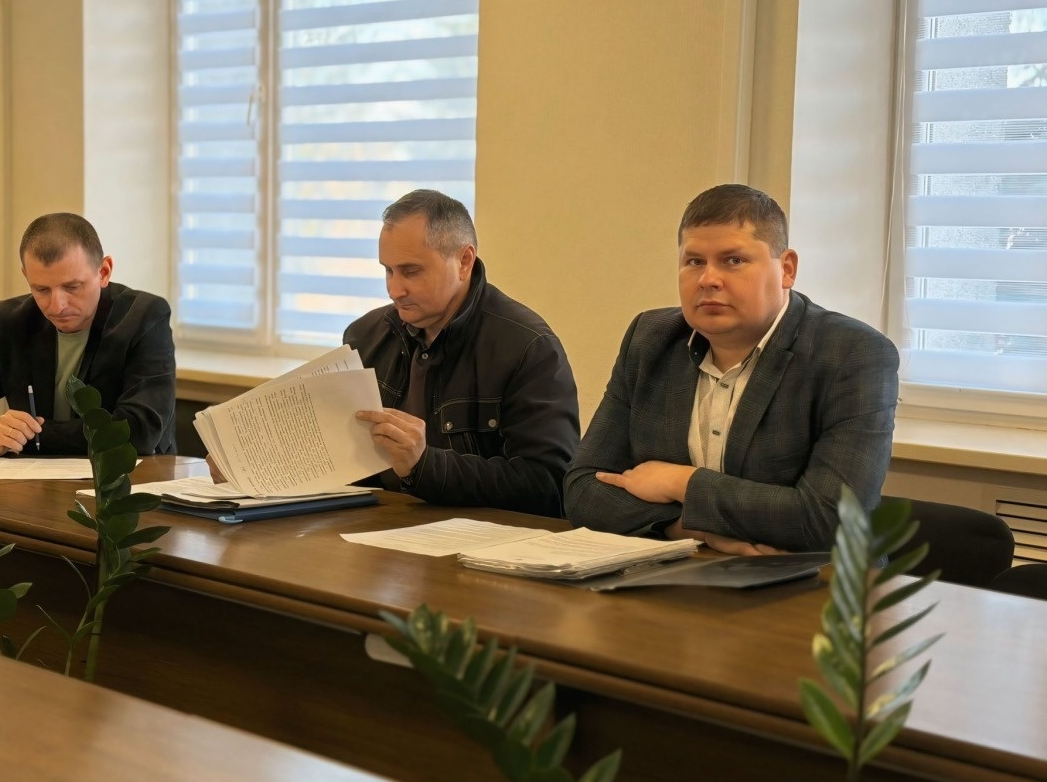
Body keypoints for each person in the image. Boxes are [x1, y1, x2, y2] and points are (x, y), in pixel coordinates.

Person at [563, 184, 899, 553]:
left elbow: (830, 519)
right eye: (694, 261)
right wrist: (692, 530)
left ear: (787, 269)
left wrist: (682, 482)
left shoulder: (852, 354)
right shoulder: (650, 339)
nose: (708, 279)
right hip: (683, 569)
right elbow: (583, 490)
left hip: (814, 581)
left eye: (733, 260)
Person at [347, 189, 579, 517]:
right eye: (388, 270)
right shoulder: (365, 336)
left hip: (484, 537)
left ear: (464, 261)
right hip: (376, 524)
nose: (394, 290)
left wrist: (424, 465)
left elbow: (550, 485)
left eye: (411, 271)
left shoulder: (528, 347)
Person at [0, 213, 177, 456]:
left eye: (72, 287)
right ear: (26, 275)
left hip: (132, 481)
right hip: (34, 483)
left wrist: (23, 435)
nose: (57, 306)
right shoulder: (9, 322)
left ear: (104, 271)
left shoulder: (144, 317)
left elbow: (138, 431)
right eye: (41, 289)